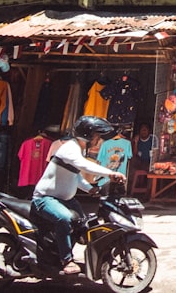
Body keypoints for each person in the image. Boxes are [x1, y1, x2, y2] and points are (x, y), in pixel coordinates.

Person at [32, 115, 125, 275]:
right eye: (97, 136)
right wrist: (110, 173)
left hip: (65, 199)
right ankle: (66, 260)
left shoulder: (77, 149)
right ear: (88, 135)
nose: (98, 140)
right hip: (45, 199)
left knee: (83, 224)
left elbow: (75, 176)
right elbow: (83, 165)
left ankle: (56, 251)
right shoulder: (70, 148)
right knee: (64, 218)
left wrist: (90, 189)